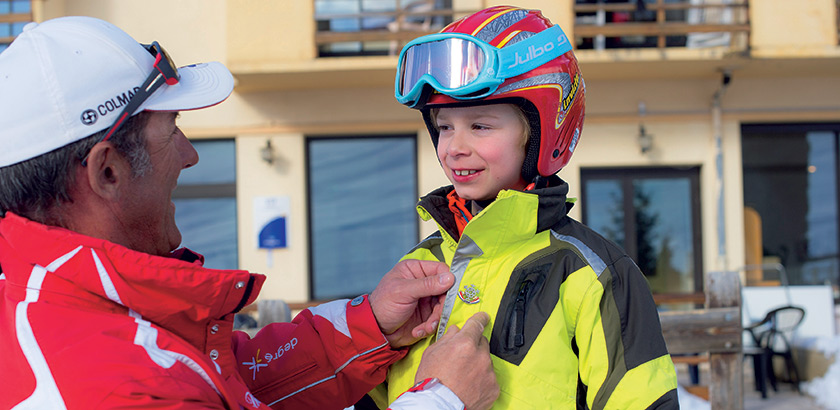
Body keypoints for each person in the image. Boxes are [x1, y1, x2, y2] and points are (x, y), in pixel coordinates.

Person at [0, 16, 498, 410]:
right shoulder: (111, 389)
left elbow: (231, 377)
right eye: (173, 129)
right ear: (107, 172)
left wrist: (369, 325)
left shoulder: (66, 302)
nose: (190, 154)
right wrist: (440, 399)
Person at [367, 5, 679, 409]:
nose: (455, 148)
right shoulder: (421, 266)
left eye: (480, 126)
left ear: (542, 132)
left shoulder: (589, 273)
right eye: (444, 126)